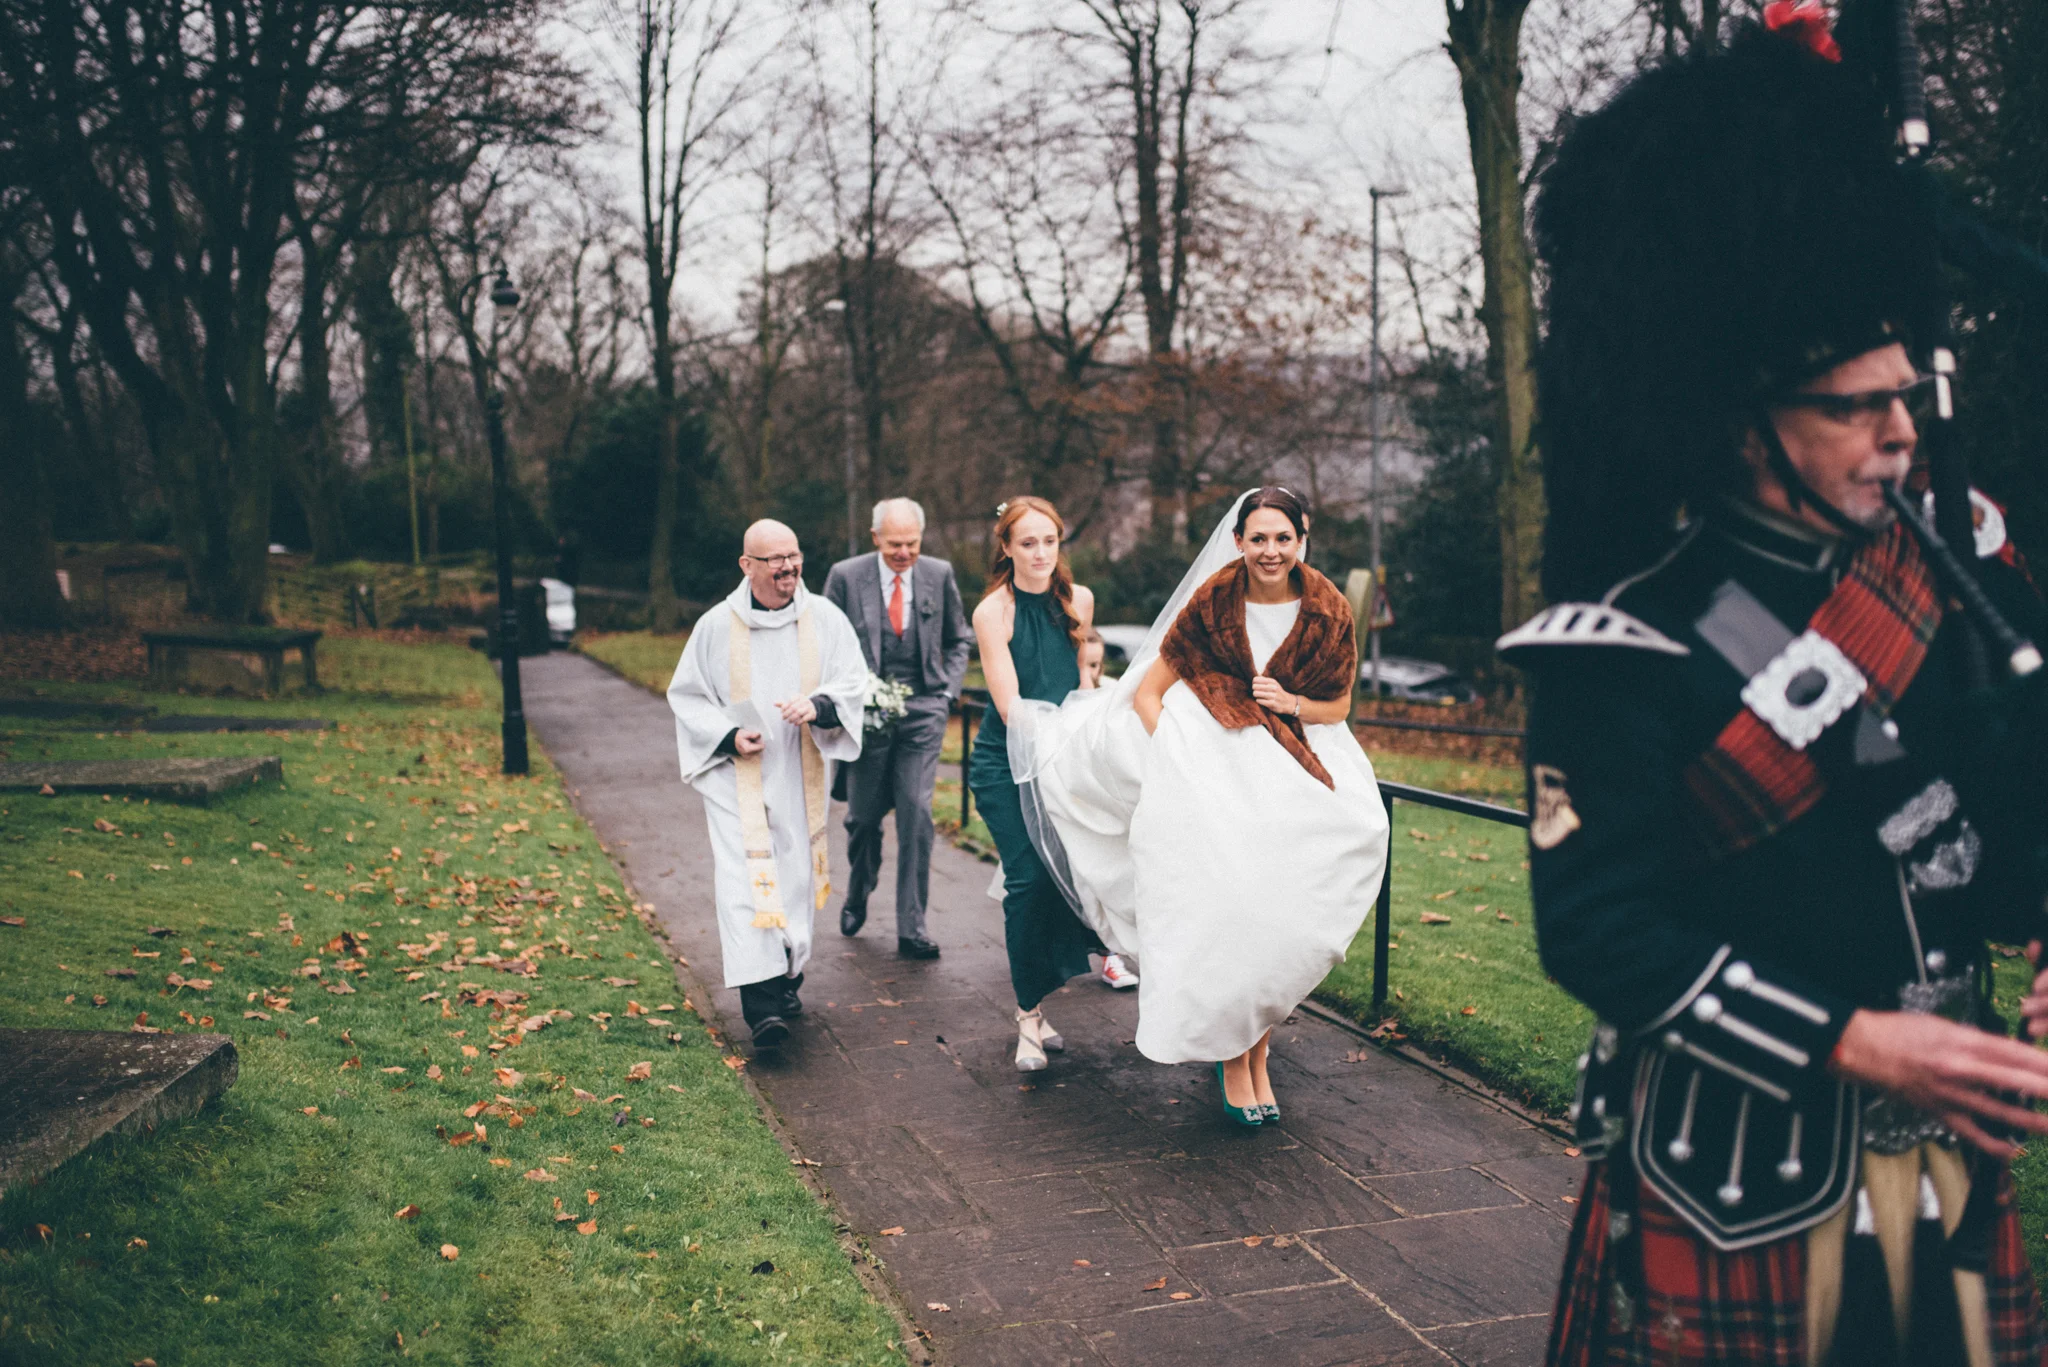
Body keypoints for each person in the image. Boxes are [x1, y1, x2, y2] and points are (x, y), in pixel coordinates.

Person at [1503, 15, 2048, 1364]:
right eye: (1855, 406)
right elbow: (1599, 931)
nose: (1901, 431)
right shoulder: (1622, 644)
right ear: (1741, 424)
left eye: (1905, 392)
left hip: (1944, 1174)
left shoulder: (1958, 588)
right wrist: (1852, 1039)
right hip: (1739, 1174)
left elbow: (2007, 838)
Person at [1126, 487, 1385, 1123]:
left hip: (1293, 782)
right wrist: (1186, 767)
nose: (1271, 551)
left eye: (1283, 538)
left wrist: (1287, 703)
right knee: (1235, 915)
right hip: (1218, 792)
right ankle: (1235, 1058)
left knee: (1282, 919)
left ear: (1303, 541)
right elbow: (1147, 695)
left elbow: (1340, 707)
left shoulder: (1327, 610)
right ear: (1238, 541)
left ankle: (1258, 1050)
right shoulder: (1213, 603)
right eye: (1258, 538)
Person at [667, 520, 868, 1050]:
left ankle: (787, 977)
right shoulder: (715, 627)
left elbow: (852, 681)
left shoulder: (824, 618)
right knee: (744, 883)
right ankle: (761, 1008)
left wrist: (819, 705)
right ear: (747, 566)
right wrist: (731, 735)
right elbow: (687, 697)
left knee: (796, 881)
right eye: (775, 558)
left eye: (794, 555)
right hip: (737, 780)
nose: (788, 567)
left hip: (800, 775)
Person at [968, 496, 1111, 1070]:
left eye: (1049, 541)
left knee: (1071, 877)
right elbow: (1010, 709)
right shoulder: (992, 612)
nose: (1040, 553)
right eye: (1027, 543)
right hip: (1005, 763)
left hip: (1064, 759)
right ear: (1006, 548)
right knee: (1028, 878)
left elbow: (1082, 682)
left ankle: (1047, 992)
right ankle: (1027, 1013)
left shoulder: (1079, 600)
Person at [822, 497, 973, 959]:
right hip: (866, 714)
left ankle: (913, 926)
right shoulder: (846, 577)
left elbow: (959, 637)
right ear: (875, 539)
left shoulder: (939, 574)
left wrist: (946, 691)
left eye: (911, 543)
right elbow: (823, 640)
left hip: (924, 709)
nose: (904, 552)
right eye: (894, 545)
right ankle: (858, 889)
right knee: (862, 819)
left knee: (916, 811)